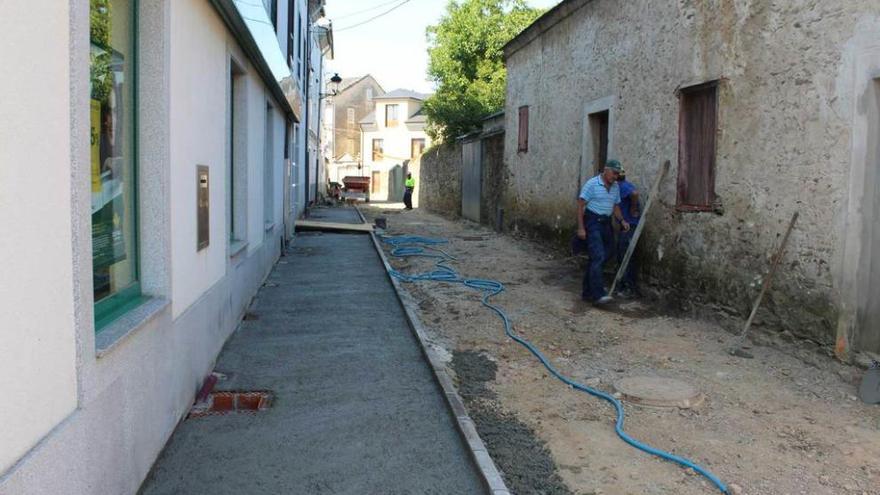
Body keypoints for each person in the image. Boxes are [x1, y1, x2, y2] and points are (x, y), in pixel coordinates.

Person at [577, 159, 630, 304]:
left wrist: (622, 221)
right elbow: (580, 205)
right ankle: (598, 294)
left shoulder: (615, 187)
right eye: (614, 173)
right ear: (606, 170)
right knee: (599, 256)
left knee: (607, 254)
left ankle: (588, 291)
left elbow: (615, 206)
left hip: (606, 223)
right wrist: (581, 227)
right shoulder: (592, 184)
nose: (615, 176)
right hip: (592, 222)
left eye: (618, 174)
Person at [616, 169, 641, 297]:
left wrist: (633, 209)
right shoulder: (626, 184)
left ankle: (628, 288)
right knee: (626, 256)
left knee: (625, 256)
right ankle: (627, 286)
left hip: (628, 226)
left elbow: (635, 194)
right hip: (628, 226)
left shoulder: (621, 186)